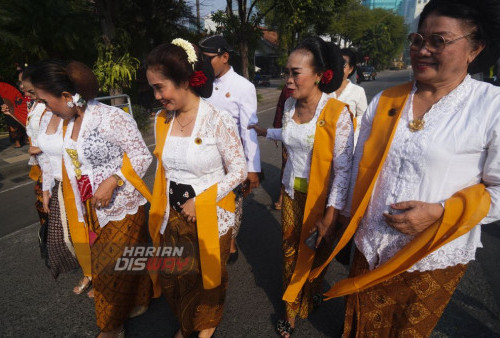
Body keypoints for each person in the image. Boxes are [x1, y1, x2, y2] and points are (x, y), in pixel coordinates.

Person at [308, 0, 500, 336]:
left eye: (438, 41)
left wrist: (439, 212)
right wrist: (337, 216)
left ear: (475, 48)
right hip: (369, 247)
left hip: (429, 256)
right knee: (359, 325)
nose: (422, 51)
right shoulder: (386, 100)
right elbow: (356, 168)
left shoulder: (490, 107)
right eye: (417, 40)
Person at [31, 60, 153, 337]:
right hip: (89, 207)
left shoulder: (111, 118)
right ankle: (142, 298)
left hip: (123, 204)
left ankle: (110, 327)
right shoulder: (68, 122)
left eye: (45, 101)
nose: (44, 108)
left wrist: (113, 180)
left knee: (109, 269)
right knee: (127, 260)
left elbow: (141, 156)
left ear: (66, 97)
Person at [249, 36, 354, 337]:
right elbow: (290, 135)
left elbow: (343, 170)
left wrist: (332, 214)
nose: (289, 80)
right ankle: (291, 309)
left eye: (296, 72)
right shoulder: (290, 105)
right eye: (287, 72)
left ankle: (312, 292)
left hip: (322, 200)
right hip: (292, 194)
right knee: (289, 251)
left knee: (316, 253)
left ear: (320, 75)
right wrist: (265, 131)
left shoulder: (337, 113)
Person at [147, 38, 247, 338]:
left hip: (211, 215)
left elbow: (239, 170)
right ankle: (187, 320)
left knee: (208, 276)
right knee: (175, 276)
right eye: (153, 88)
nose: (156, 96)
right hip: (172, 215)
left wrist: (201, 200)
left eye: (160, 87)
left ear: (184, 81)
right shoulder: (162, 120)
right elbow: (164, 169)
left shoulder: (217, 119)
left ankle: (205, 326)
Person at [199, 35, 261, 264]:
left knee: (229, 202)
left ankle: (230, 242)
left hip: (229, 160)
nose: (204, 65)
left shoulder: (243, 87)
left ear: (225, 57)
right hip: (204, 156)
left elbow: (249, 129)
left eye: (208, 59)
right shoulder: (200, 84)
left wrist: (252, 168)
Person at [21, 66, 50, 264]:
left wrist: (40, 147)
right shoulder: (36, 107)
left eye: (30, 91)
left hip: (57, 169)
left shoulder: (52, 107)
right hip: (43, 168)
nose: (27, 94)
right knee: (45, 208)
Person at [329, 48, 367, 146]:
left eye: (343, 65)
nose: (338, 67)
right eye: (336, 63)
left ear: (350, 69)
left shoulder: (358, 91)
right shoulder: (324, 89)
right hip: (324, 140)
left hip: (347, 144)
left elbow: (363, 119)